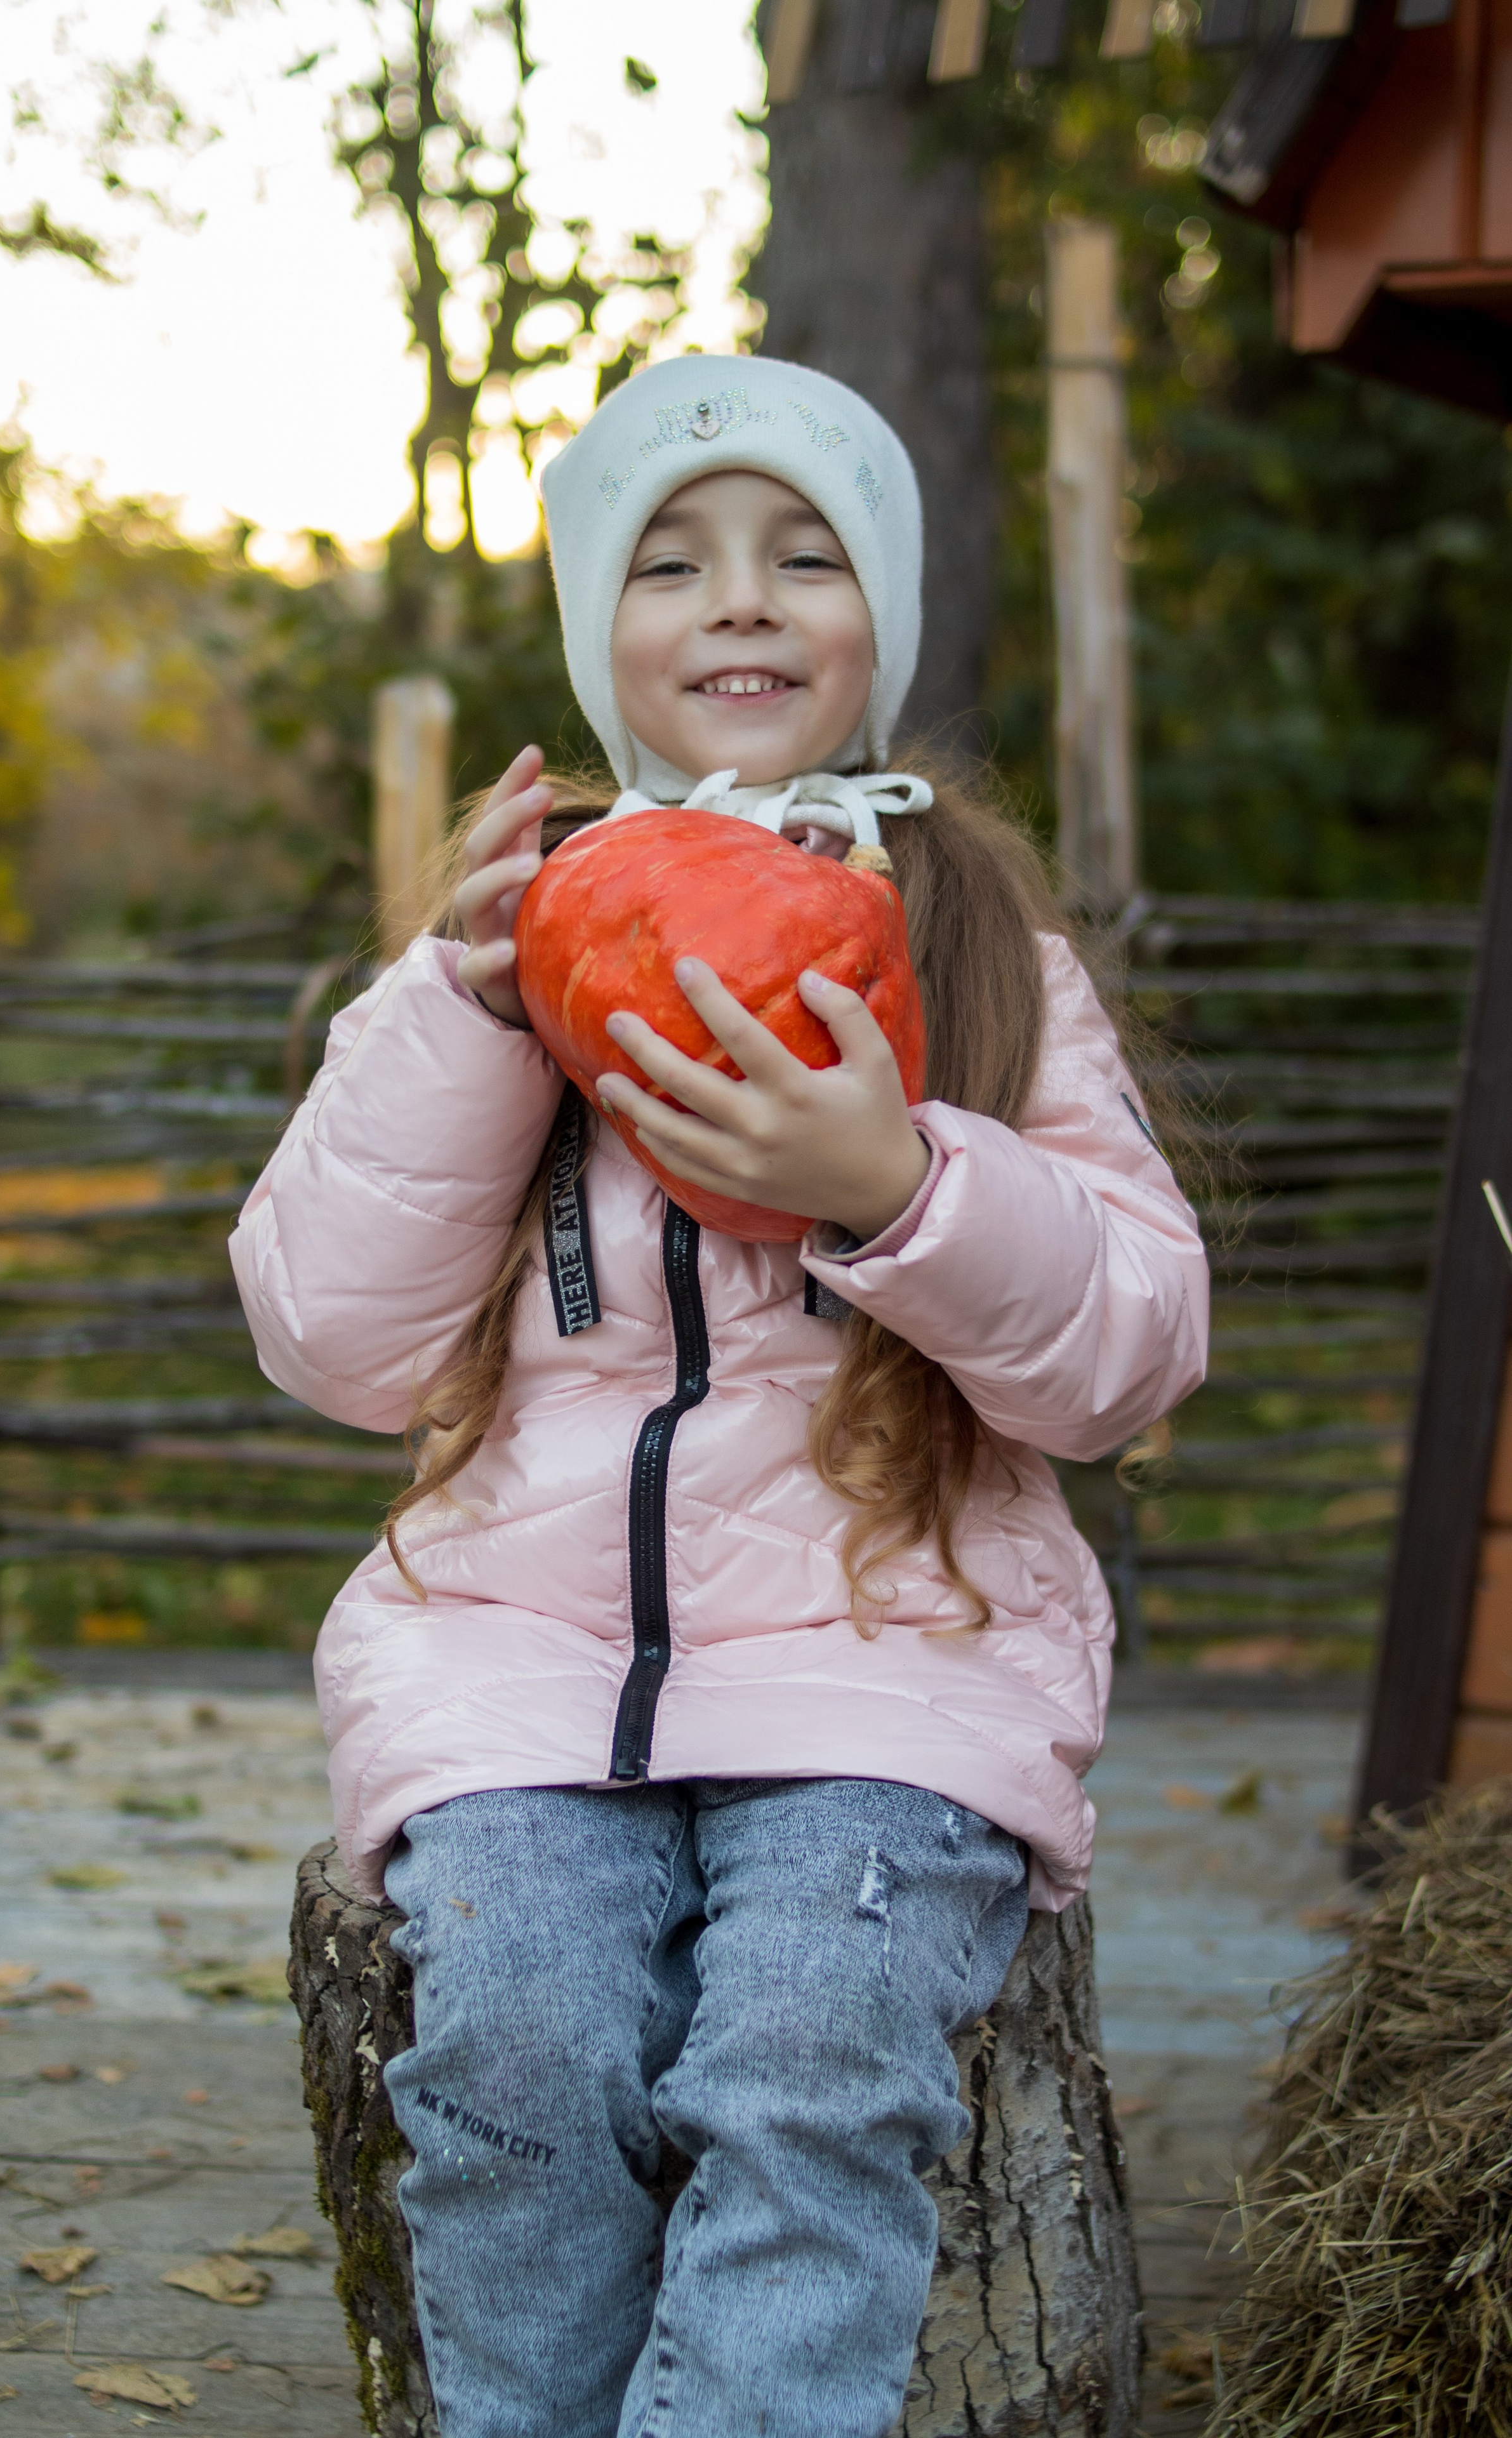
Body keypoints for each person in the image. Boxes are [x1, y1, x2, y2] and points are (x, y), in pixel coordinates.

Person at [231, 355, 1208, 2438]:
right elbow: (331, 1338)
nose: (741, 598)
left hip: (894, 1660)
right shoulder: (513, 945)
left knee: (811, 2058)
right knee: (514, 2050)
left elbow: (1132, 1346)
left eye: (805, 556)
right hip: (518, 1656)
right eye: (670, 562)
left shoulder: (982, 945)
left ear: (883, 621)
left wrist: (899, 1183)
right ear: (600, 631)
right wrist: (463, 1016)